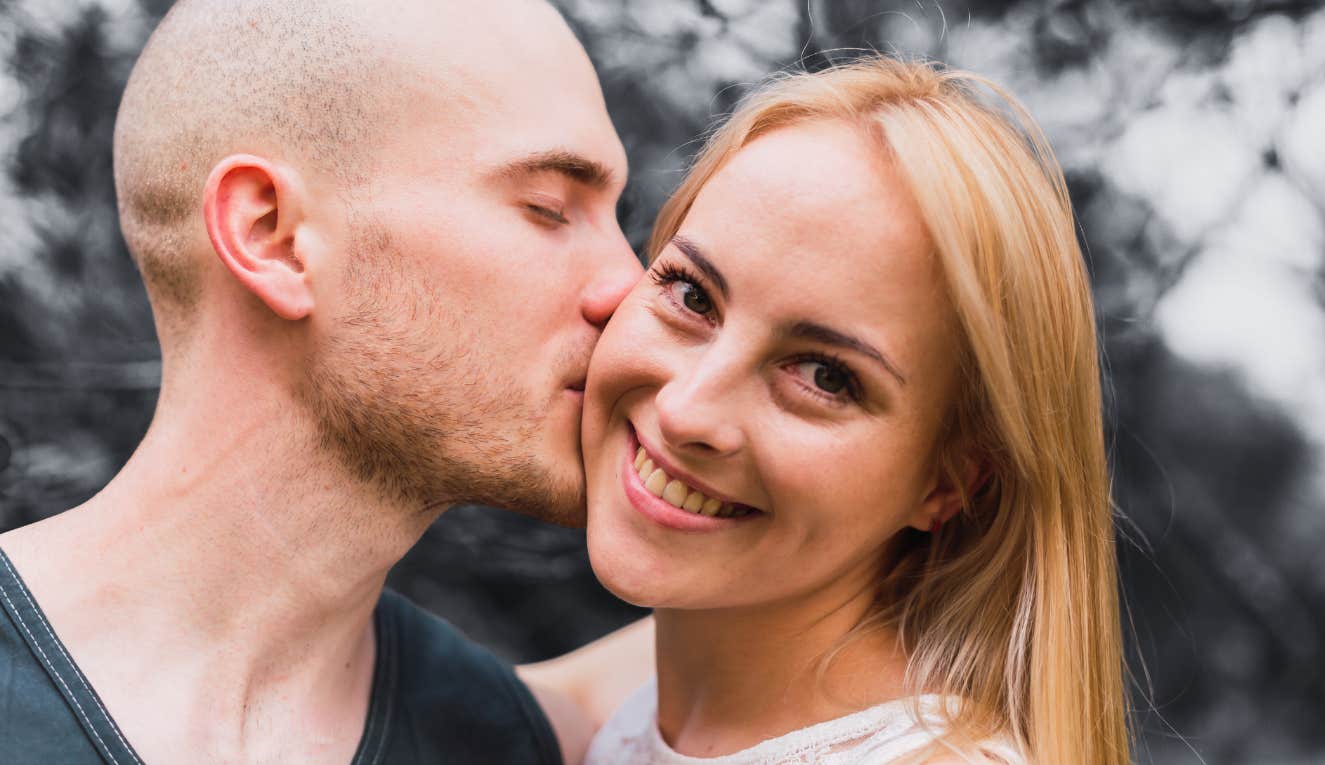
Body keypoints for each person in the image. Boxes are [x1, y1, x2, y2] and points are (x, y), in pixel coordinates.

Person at [0, 0, 638, 762]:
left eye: (618, 220)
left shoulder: (522, 737)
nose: (628, 291)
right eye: (550, 208)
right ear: (272, 235)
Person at [527, 57, 1131, 764]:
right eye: (692, 295)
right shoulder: (679, 673)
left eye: (823, 375)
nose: (688, 409)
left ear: (948, 482)